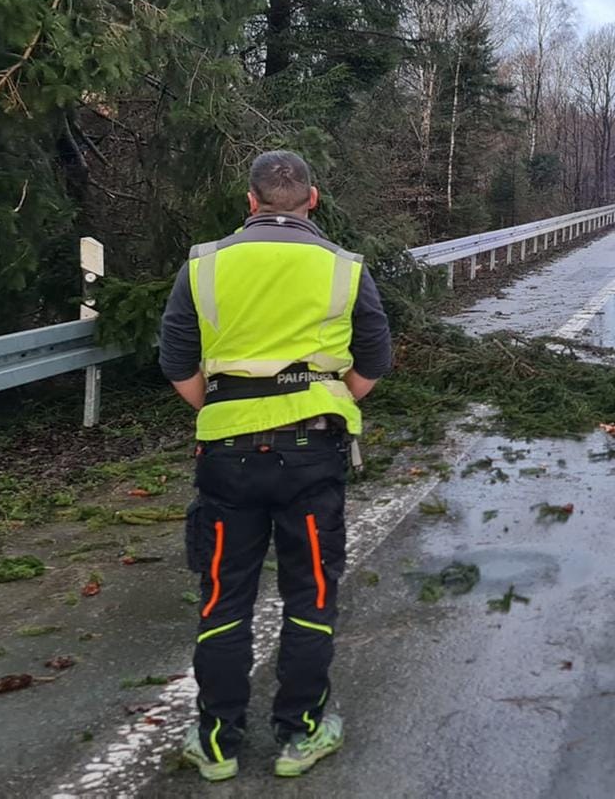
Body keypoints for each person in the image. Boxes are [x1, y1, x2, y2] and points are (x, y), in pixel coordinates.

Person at [157, 150, 392, 781]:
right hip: (311, 452)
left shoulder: (205, 265)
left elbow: (176, 357)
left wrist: (227, 404)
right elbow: (374, 355)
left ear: (251, 200)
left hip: (226, 456)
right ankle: (301, 733)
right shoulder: (343, 267)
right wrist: (330, 396)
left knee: (224, 597)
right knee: (310, 593)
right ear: (312, 199)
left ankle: (215, 742)